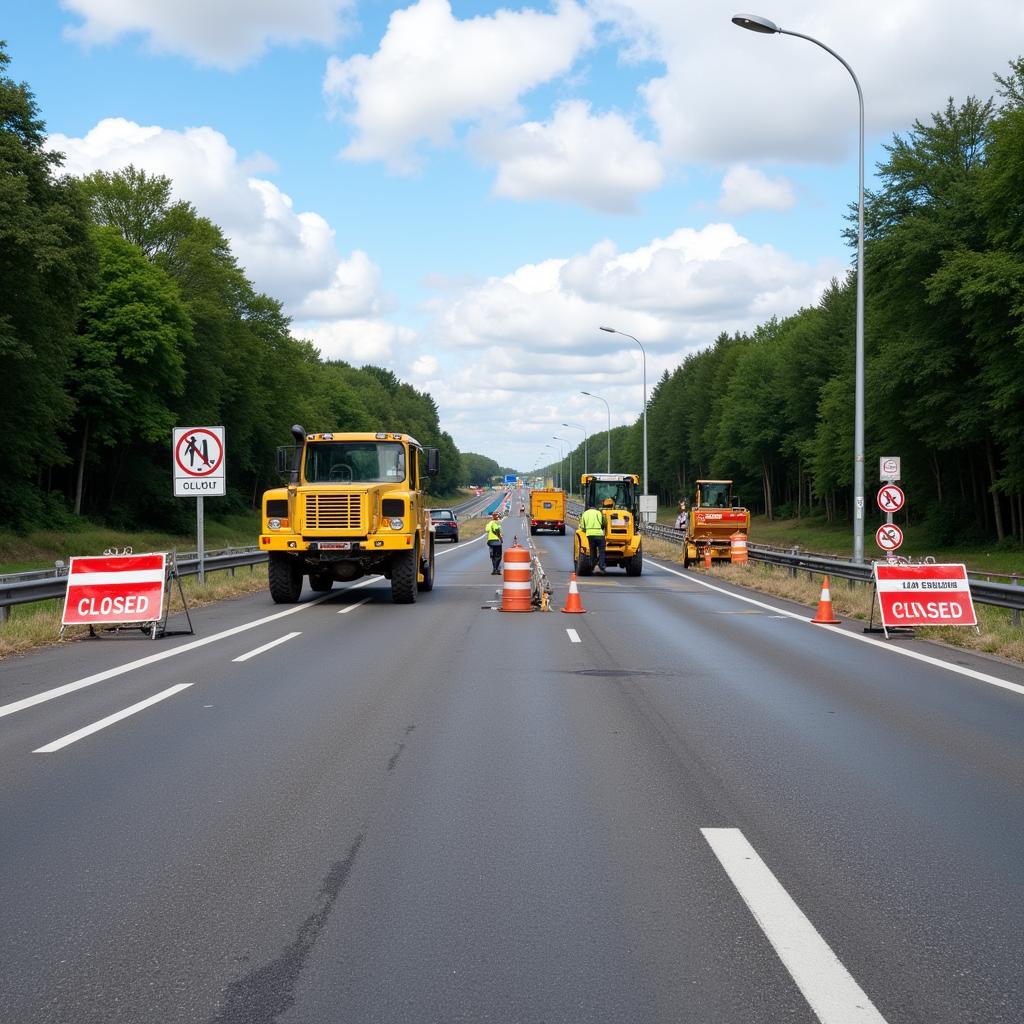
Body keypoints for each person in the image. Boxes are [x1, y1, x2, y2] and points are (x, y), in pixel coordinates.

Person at [580, 500, 607, 573]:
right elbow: (603, 523)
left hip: (589, 535)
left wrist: (587, 530)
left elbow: (582, 526)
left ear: (589, 507)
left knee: (592, 551)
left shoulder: (585, 513)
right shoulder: (598, 513)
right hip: (599, 534)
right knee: (601, 551)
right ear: (595, 507)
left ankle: (592, 565)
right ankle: (602, 566)